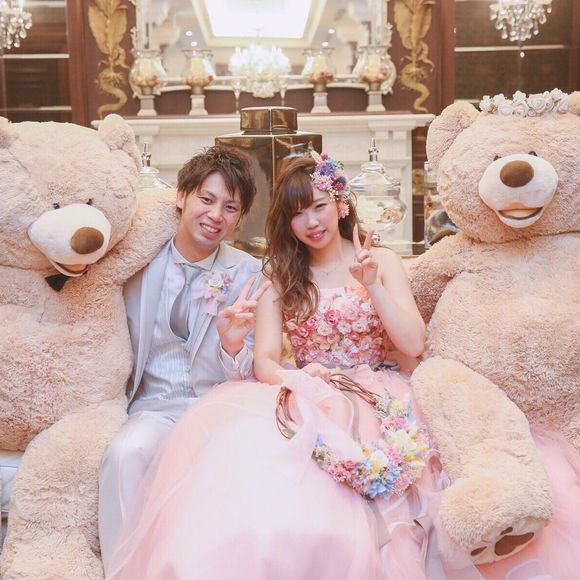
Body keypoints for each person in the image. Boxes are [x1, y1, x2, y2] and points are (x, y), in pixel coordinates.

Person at [106, 154, 537, 579]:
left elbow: (413, 343)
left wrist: (373, 287)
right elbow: (265, 361)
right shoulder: (279, 274)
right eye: (297, 213)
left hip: (382, 392)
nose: (311, 221)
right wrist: (298, 379)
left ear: (341, 204)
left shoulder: (381, 261)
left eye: (319, 206)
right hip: (311, 392)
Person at [98, 145, 269, 571]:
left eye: (230, 207)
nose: (216, 215)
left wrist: (232, 346)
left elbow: (254, 372)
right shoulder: (136, 265)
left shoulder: (249, 274)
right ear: (181, 196)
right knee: (125, 453)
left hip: (219, 407)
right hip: (154, 406)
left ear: (239, 218)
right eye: (206, 199)